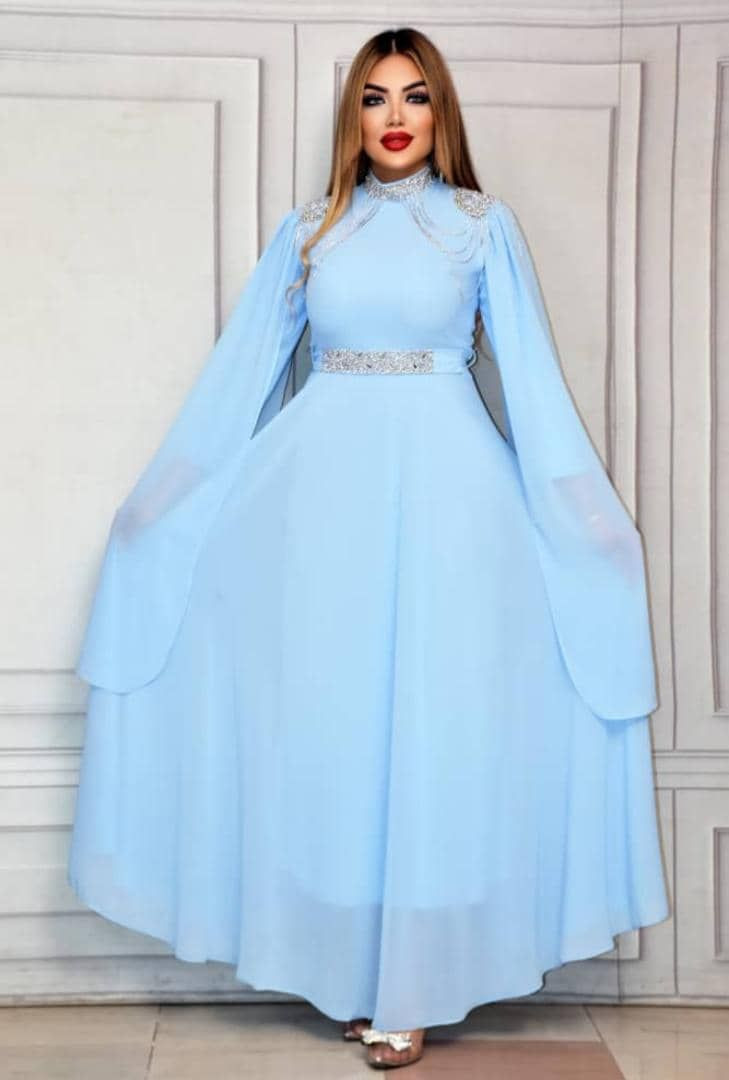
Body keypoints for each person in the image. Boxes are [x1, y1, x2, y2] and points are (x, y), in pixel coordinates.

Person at [68, 25, 670, 1071]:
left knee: (434, 723)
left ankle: (415, 984)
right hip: (317, 507)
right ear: (354, 114)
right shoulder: (310, 232)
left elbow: (531, 382)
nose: (396, 117)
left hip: (451, 503)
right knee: (338, 727)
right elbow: (242, 375)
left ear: (441, 113)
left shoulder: (481, 227)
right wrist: (159, 504)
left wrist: (590, 521)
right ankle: (356, 969)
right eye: (376, 97)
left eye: (416, 96)